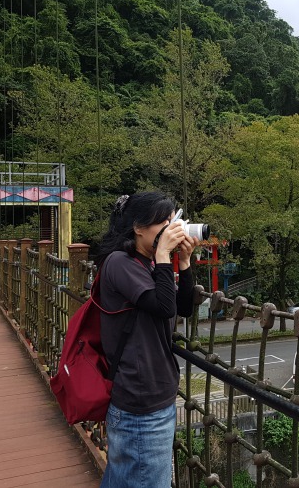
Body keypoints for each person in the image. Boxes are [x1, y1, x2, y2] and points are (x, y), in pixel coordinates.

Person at [95, 191, 200, 488]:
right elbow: (164, 306)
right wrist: (164, 256)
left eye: (172, 220)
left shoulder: (147, 263)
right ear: (138, 227)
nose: (170, 228)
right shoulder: (120, 262)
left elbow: (182, 308)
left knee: (125, 479)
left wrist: (184, 260)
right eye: (162, 222)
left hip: (150, 397)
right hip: (141, 403)